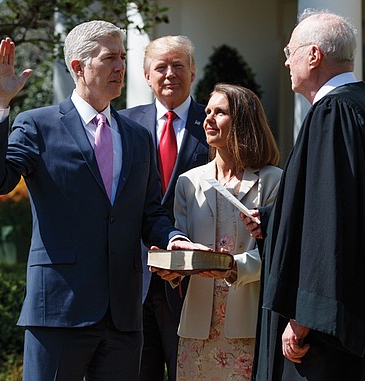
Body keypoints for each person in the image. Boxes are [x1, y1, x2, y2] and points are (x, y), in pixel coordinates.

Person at [0, 20, 206, 381]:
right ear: (78, 67)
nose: (120, 67)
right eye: (110, 58)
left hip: (124, 315)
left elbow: (149, 211)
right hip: (60, 308)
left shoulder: (137, 136)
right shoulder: (38, 125)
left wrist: (172, 238)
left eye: (122, 58)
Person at [241, 9, 365, 380]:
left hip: (326, 340)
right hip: (363, 314)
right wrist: (275, 222)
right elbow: (351, 208)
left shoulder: (334, 113)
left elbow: (333, 225)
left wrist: (304, 317)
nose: (287, 62)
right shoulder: (364, 107)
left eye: (290, 51)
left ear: (313, 55)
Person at [154, 83, 282, 380]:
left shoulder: (274, 181)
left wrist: (235, 267)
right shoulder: (189, 182)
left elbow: (280, 252)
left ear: (243, 121)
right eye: (207, 112)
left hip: (250, 325)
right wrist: (173, 269)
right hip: (197, 329)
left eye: (220, 112)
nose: (207, 119)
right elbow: (184, 246)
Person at [118, 35, 208, 381]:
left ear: (193, 71)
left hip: (193, 280)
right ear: (146, 76)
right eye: (161, 67)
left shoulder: (214, 123)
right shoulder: (123, 124)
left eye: (178, 65)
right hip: (133, 279)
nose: (170, 74)